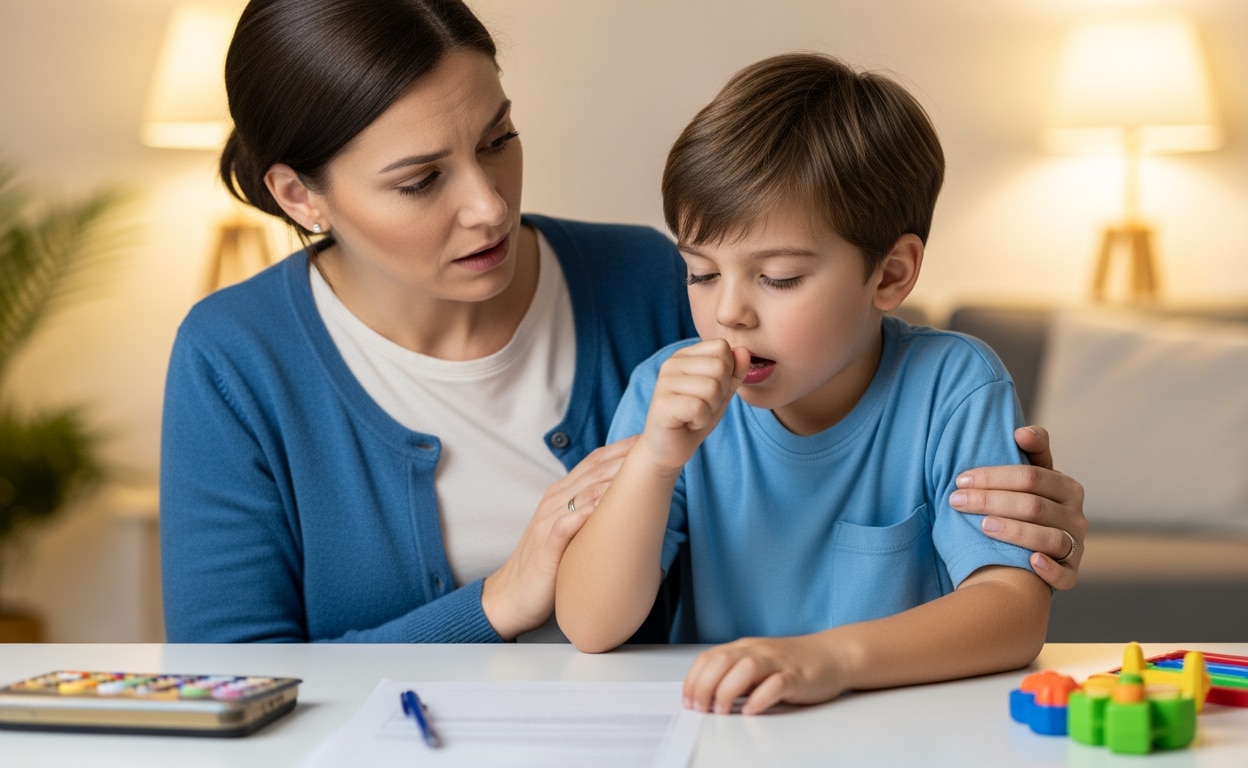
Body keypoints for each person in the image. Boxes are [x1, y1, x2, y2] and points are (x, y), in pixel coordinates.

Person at [159, 0, 1085, 644]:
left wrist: (1025, 517)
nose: (490, 206)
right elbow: (240, 681)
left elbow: (857, 410)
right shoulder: (237, 359)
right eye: (420, 179)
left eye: (497, 140)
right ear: (299, 194)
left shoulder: (652, 281)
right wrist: (500, 601)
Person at [556, 52, 1051, 714]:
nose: (728, 311)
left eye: (778, 277)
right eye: (702, 273)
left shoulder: (953, 386)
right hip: (727, 727)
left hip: (908, 728)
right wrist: (653, 460)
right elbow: (589, 625)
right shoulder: (662, 393)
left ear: (890, 275)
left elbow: (1012, 612)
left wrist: (826, 659)